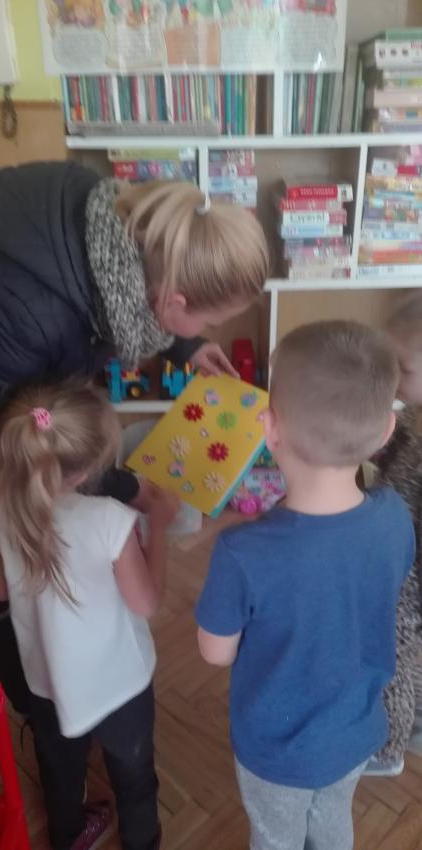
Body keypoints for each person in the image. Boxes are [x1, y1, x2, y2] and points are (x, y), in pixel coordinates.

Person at [0, 162, 269, 716]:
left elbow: (138, 298)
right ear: (174, 303)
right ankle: (40, 717)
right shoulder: (24, 313)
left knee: (37, 561)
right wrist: (122, 486)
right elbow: (17, 455)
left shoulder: (119, 233)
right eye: (208, 321)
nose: (208, 331)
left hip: (11, 404)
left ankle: (64, 705)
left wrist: (186, 348)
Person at [195, 320, 415, 850]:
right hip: (357, 732)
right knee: (333, 818)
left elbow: (214, 653)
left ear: (269, 428)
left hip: (276, 749)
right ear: (386, 431)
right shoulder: (394, 516)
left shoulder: (242, 551)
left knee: (277, 836)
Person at [0, 379, 179, 850]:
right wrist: (158, 528)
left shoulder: (1, 511)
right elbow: (146, 602)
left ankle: (68, 835)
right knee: (133, 775)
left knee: (60, 771)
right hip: (119, 686)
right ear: (90, 468)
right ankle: (141, 842)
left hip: (46, 682)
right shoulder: (109, 520)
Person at [365, 291, 422, 774]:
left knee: (395, 666)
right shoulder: (414, 410)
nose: (395, 376)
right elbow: (393, 446)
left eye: (405, 367)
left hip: (408, 583)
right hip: (391, 552)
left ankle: (387, 752)